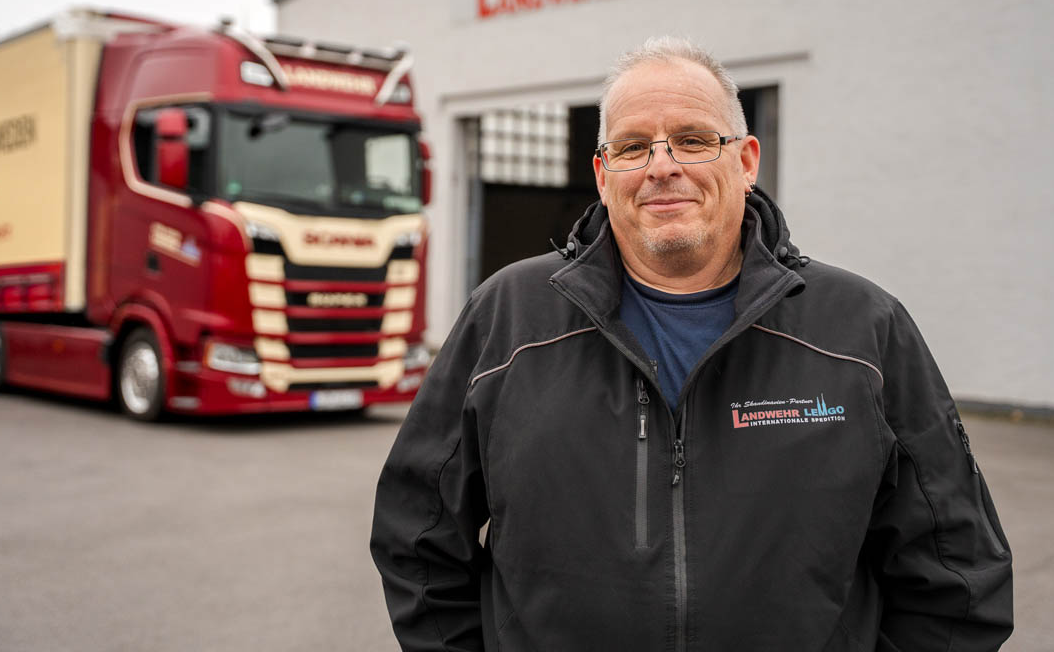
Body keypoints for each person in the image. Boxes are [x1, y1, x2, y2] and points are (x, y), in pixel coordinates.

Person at [371, 37, 1014, 651]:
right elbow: (416, 535)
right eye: (631, 147)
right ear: (602, 173)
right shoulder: (506, 321)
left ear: (746, 160)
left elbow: (959, 571)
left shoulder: (862, 331)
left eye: (693, 140)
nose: (662, 167)